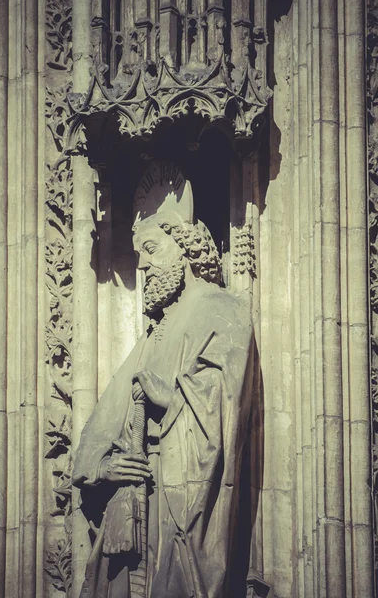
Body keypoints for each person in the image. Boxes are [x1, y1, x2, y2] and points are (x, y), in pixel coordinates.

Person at [72, 209, 255, 598]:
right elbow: (104, 424)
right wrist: (106, 466)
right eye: (139, 255)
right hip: (139, 504)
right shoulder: (152, 337)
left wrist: (171, 398)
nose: (144, 266)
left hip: (181, 494)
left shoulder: (222, 308)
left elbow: (226, 406)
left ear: (185, 247)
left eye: (152, 249)